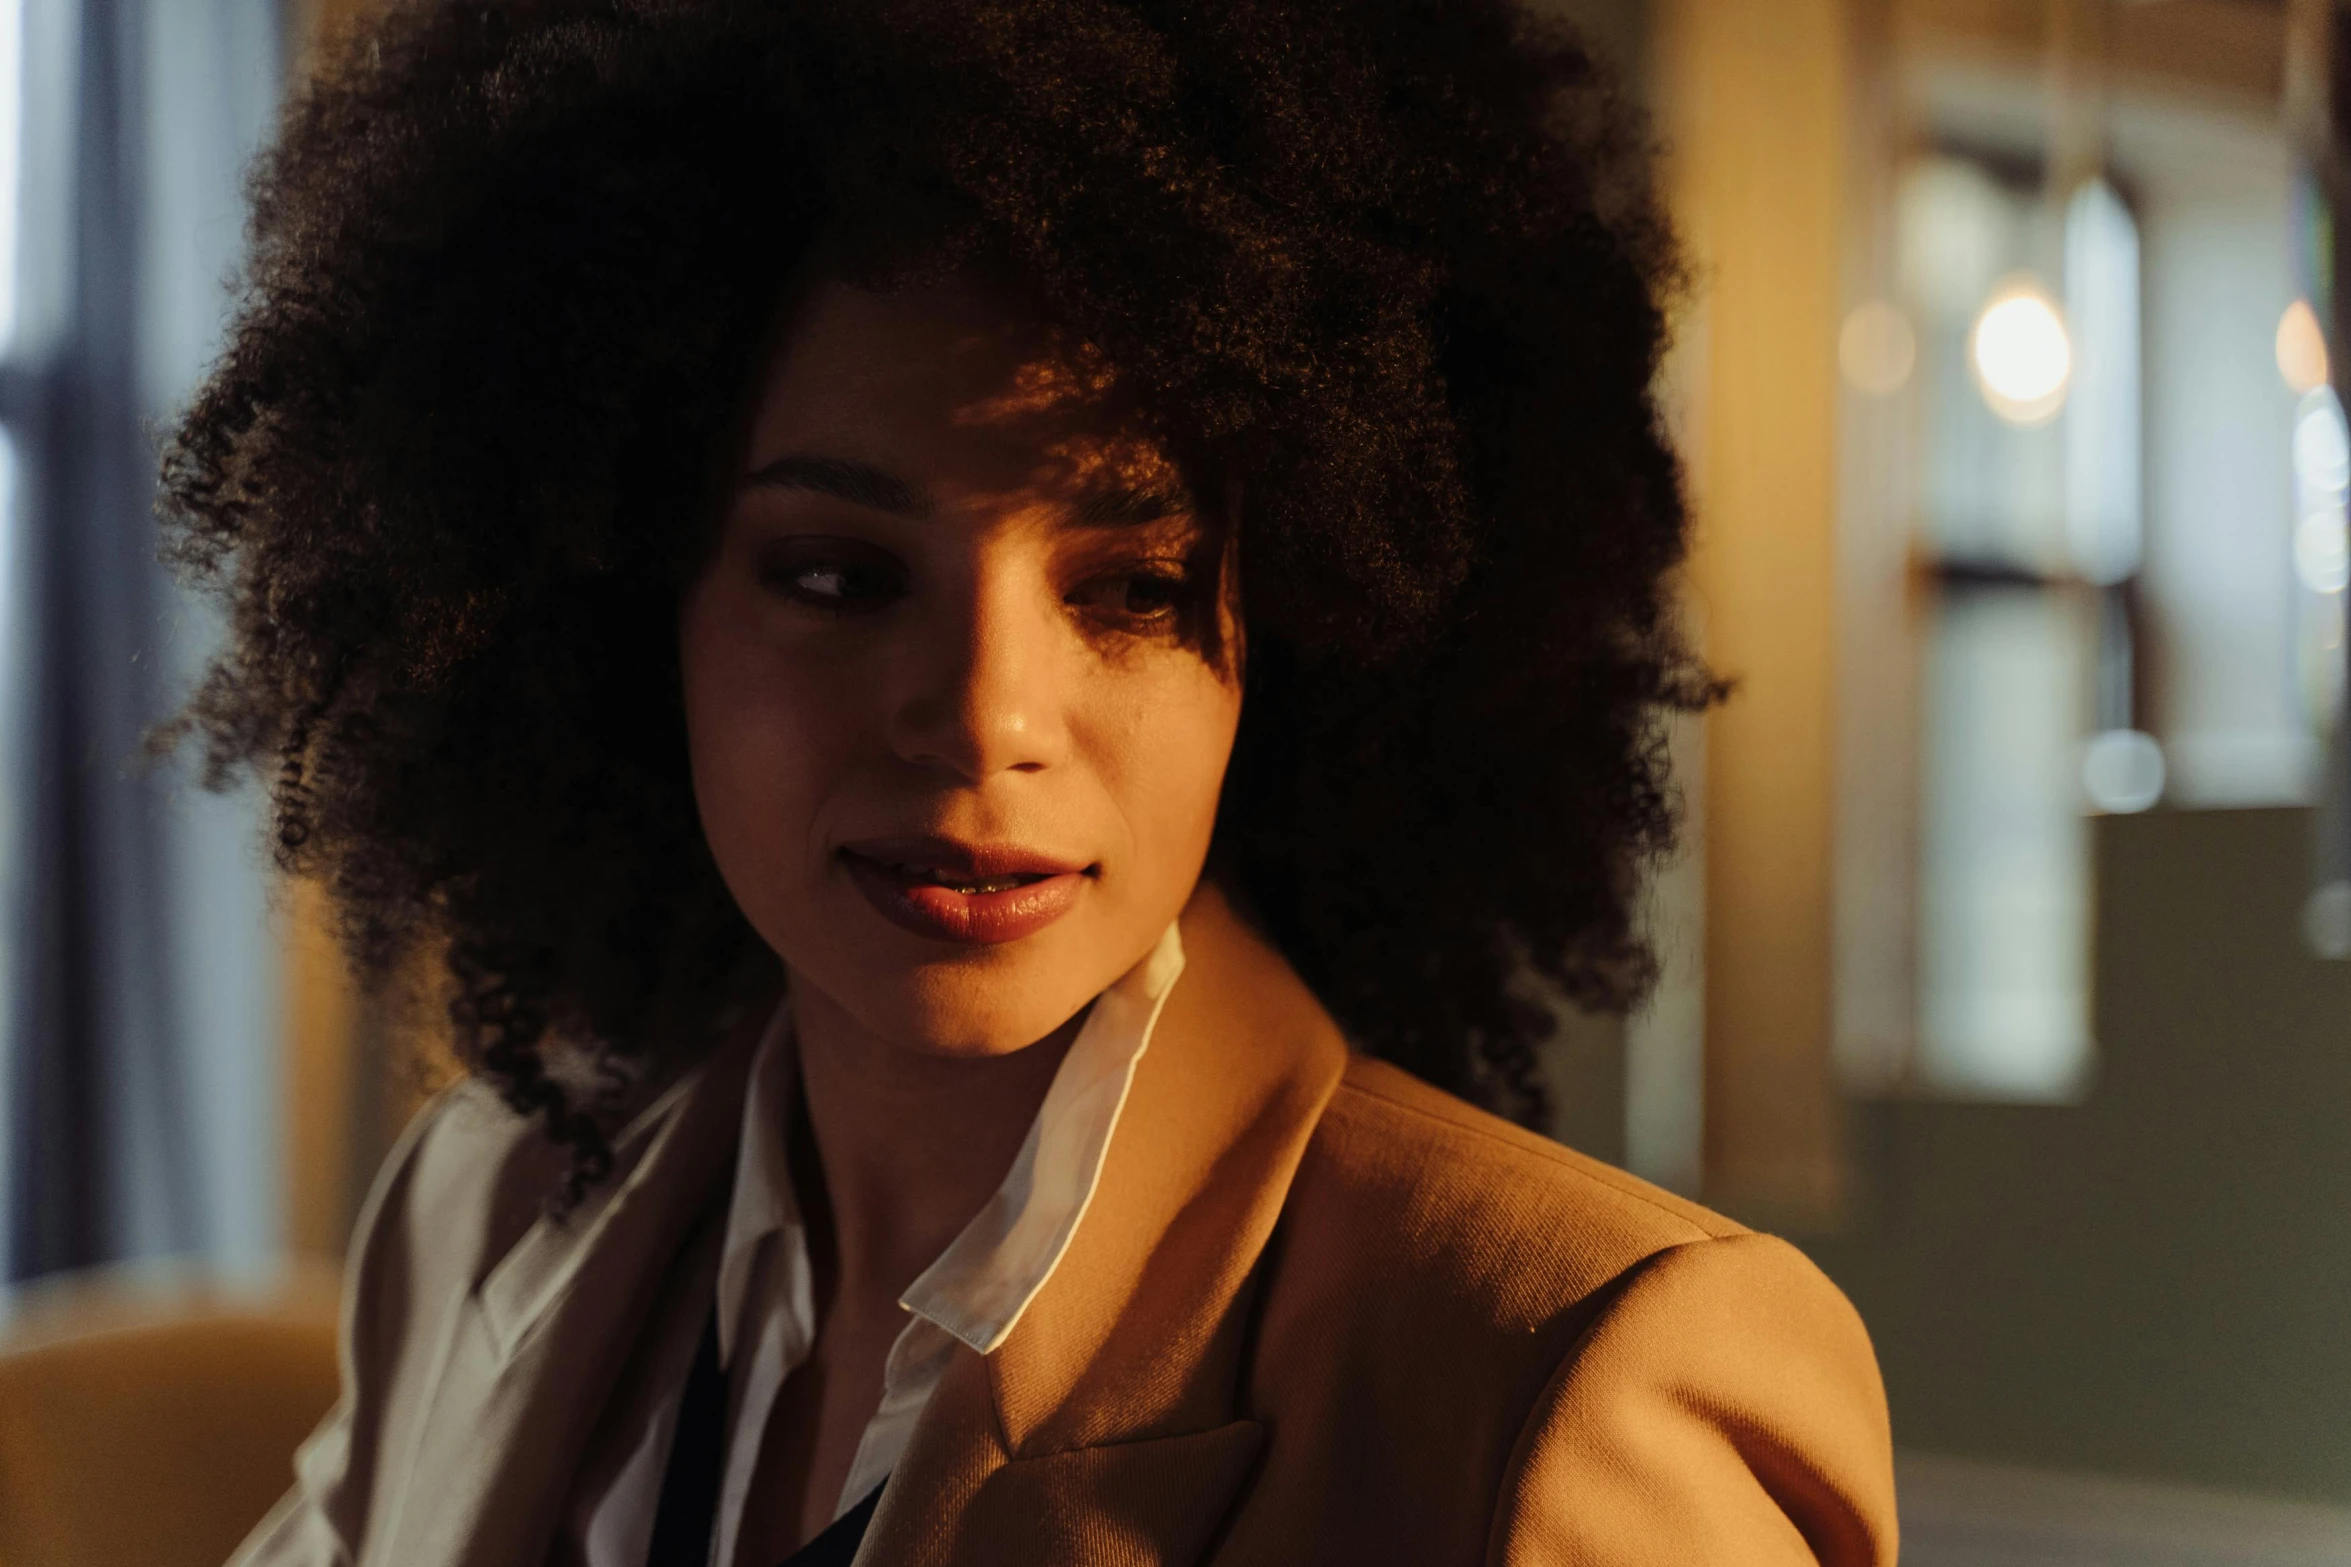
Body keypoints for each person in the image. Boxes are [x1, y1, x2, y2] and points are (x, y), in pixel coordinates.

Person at [167, 0, 1898, 1562]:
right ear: (620, 603)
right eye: (837, 574)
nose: (987, 716)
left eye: (1132, 587)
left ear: (1294, 638)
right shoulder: (488, 1206)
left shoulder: (1566, 1374)